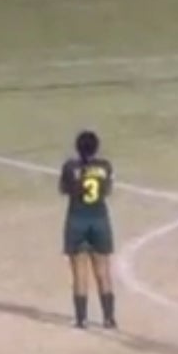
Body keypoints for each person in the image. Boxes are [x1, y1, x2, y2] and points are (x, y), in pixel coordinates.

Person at [59, 129, 116, 329]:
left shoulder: (70, 167)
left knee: (79, 272)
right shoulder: (105, 167)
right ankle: (108, 318)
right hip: (99, 219)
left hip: (77, 220)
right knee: (103, 271)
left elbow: (64, 189)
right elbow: (107, 190)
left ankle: (81, 319)